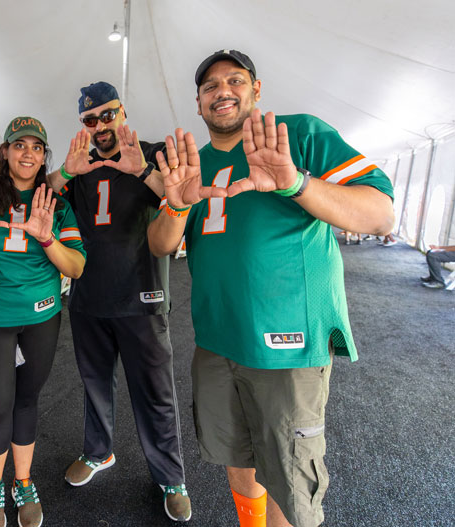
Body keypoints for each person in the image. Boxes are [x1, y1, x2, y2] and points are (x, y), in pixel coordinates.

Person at [146, 49, 395, 527]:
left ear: (256, 90)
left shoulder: (296, 135)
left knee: (290, 480)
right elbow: (161, 244)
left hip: (288, 346)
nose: (223, 91)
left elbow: (381, 213)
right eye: (210, 86)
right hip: (217, 343)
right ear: (198, 104)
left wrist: (295, 183)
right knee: (237, 455)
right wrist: (175, 204)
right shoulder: (193, 164)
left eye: (235, 81)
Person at [44, 82, 192, 522]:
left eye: (108, 115)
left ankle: (170, 477)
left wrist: (142, 171)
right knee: (93, 385)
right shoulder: (79, 163)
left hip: (142, 296)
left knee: (155, 392)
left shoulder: (148, 154)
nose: (101, 126)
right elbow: (39, 197)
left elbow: (179, 196)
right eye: (91, 120)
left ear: (123, 113)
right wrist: (67, 173)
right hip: (89, 298)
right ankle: (98, 452)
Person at [0, 116, 86, 527]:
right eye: (19, 145)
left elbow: (76, 267)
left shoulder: (55, 202)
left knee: (27, 399)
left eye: (37, 147)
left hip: (42, 316)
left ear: (45, 157)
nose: (28, 153)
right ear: (4, 151)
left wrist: (47, 238)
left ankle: (22, 481)